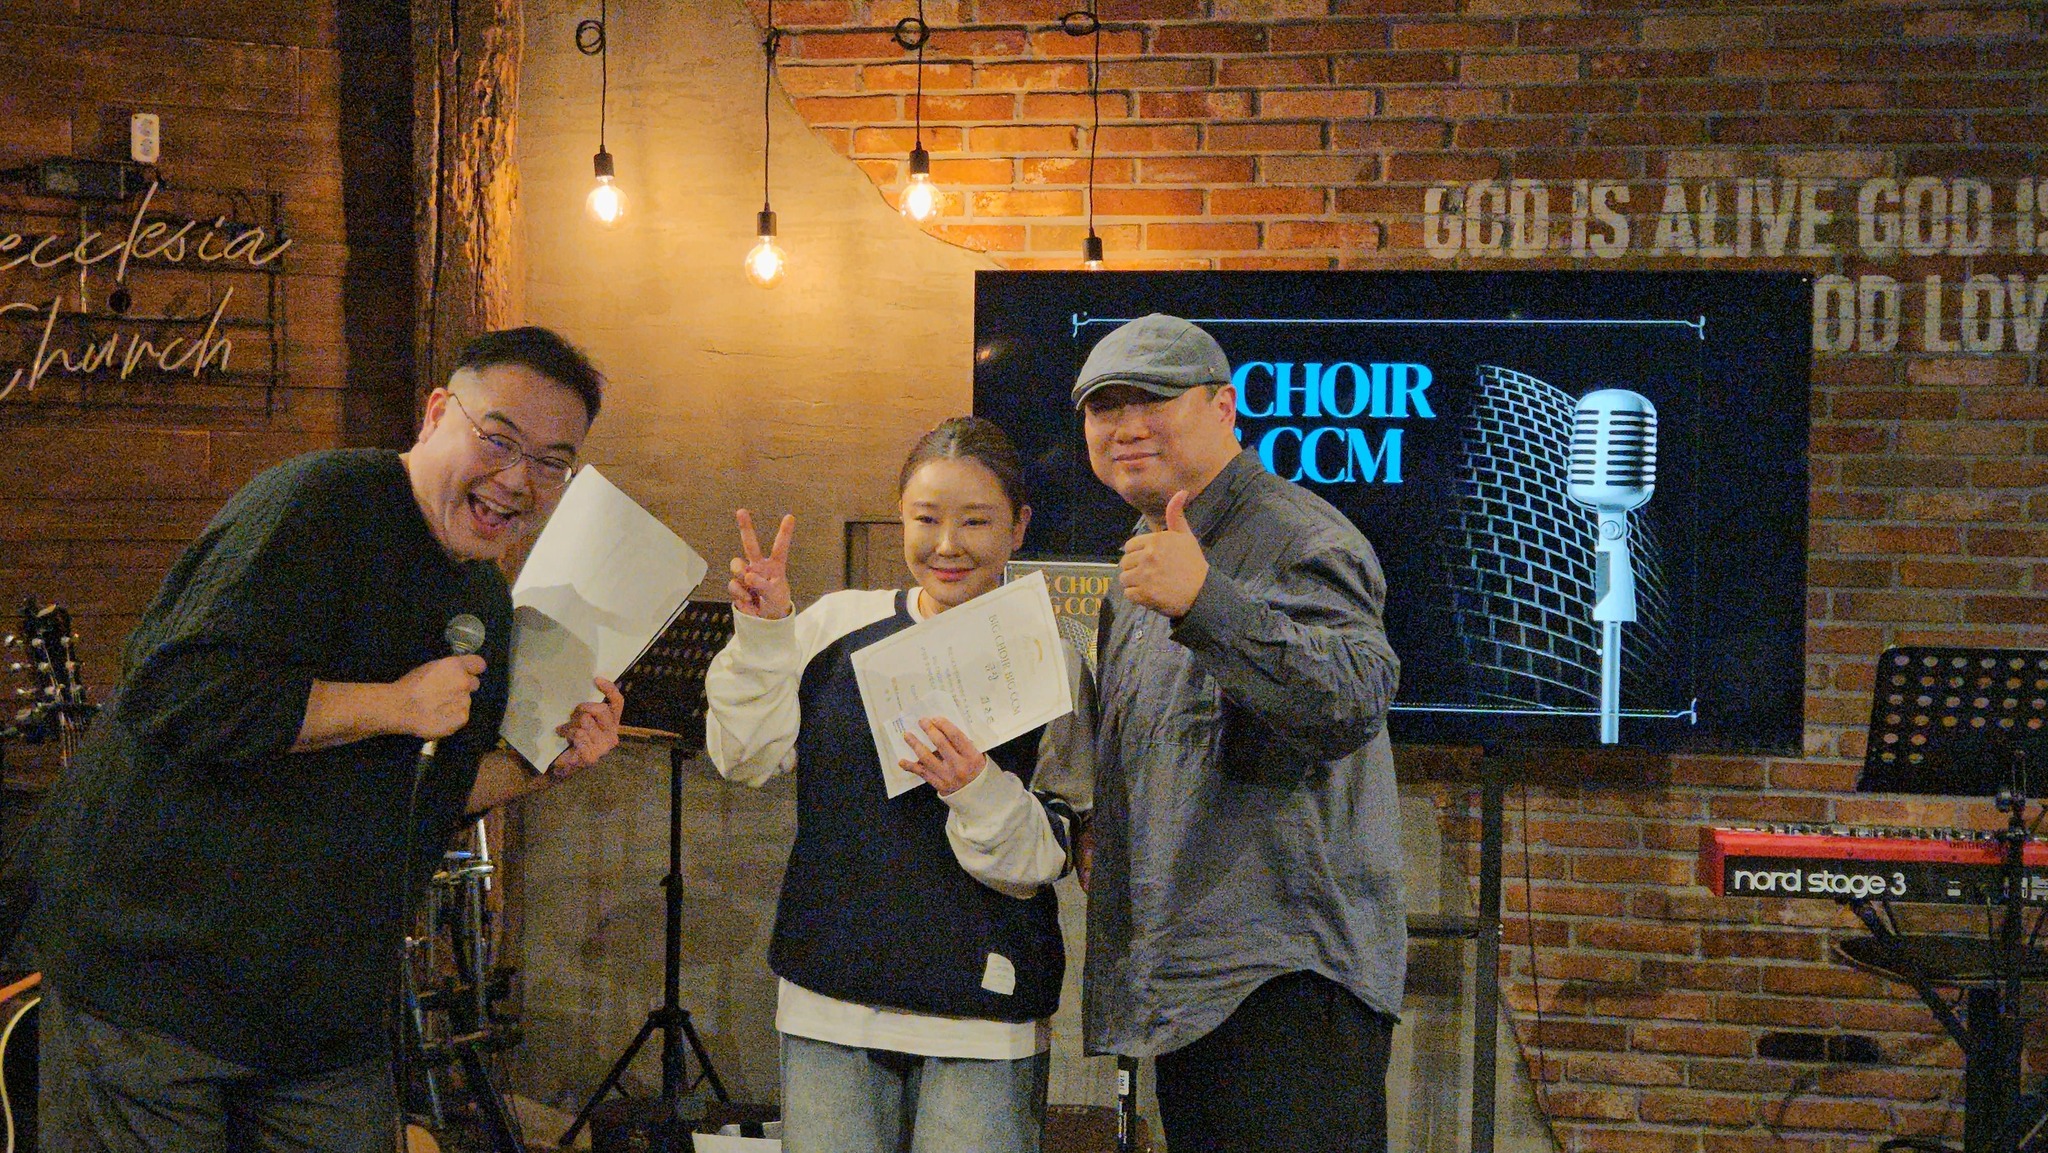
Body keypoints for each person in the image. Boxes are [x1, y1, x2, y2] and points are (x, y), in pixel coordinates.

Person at [22, 326, 626, 1152]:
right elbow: (178, 693)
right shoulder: (321, 503)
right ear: (437, 414)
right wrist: (393, 704)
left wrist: (541, 767)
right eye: (498, 439)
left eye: (552, 463)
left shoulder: (483, 598)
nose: (519, 479)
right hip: (153, 993)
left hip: (319, 1019)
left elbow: (428, 793)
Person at [705, 416, 1093, 1153]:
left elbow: (1052, 851)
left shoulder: (1051, 655)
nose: (947, 545)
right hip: (830, 997)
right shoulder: (835, 624)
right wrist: (764, 634)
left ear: (1018, 526)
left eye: (975, 520)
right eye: (926, 518)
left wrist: (977, 788)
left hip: (984, 1012)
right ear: (901, 518)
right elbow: (745, 757)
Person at [1073, 314, 1406, 1153]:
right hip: (1190, 987)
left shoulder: (1299, 534)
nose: (1125, 425)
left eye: (1152, 399)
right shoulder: (1143, 563)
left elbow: (1354, 698)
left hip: (1286, 987)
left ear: (1224, 407)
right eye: (1104, 407)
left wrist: (1206, 602)